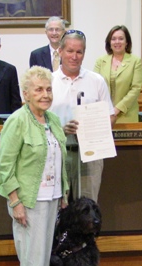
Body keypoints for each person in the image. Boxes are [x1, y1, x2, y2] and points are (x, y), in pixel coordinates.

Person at [0, 66, 68, 266]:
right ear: (26, 93)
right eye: (38, 89)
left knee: (43, 255)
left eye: (48, 89)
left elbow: (59, 158)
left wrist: (63, 193)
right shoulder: (17, 120)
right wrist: (14, 201)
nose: (45, 94)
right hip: (28, 200)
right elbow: (6, 167)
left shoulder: (53, 120)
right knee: (31, 256)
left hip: (52, 197)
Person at [50, 29, 115, 203]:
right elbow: (38, 120)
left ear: (84, 53)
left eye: (79, 52)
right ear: (61, 51)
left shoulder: (96, 81)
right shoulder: (49, 81)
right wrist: (61, 129)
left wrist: (93, 129)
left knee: (86, 209)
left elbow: (110, 116)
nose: (74, 56)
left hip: (90, 155)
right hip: (58, 154)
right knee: (57, 208)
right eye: (70, 51)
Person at [94, 25, 142, 123]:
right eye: (113, 39)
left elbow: (135, 88)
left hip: (126, 115)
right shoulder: (100, 61)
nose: (117, 42)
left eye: (121, 39)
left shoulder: (135, 61)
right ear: (109, 42)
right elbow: (94, 86)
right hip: (103, 116)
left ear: (126, 42)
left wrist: (117, 109)